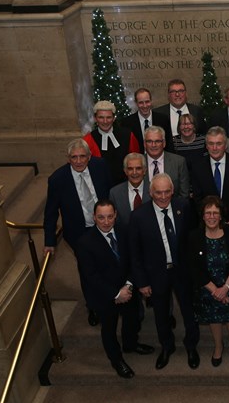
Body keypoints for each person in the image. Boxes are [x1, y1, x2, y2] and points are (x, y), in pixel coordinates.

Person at [75, 200, 154, 379]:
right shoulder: (85, 243)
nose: (106, 221)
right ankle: (116, 360)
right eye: (101, 217)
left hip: (129, 288)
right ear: (94, 217)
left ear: (116, 215)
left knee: (132, 319)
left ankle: (131, 344)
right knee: (109, 329)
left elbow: (135, 259)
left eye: (110, 217)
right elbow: (91, 276)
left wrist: (128, 285)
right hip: (104, 296)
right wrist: (116, 294)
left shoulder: (125, 231)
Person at [128, 173, 200, 370]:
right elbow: (135, 254)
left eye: (167, 191)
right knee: (161, 315)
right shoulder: (138, 216)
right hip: (156, 274)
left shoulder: (183, 207)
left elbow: (192, 239)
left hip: (182, 272)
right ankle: (167, 347)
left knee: (188, 311)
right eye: (158, 192)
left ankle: (191, 346)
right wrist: (141, 282)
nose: (163, 196)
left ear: (173, 191)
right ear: (151, 193)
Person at [43, 138, 111, 326]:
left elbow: (110, 191)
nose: (79, 161)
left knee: (110, 263)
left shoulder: (100, 166)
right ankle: (93, 306)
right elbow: (50, 212)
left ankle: (113, 298)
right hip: (79, 233)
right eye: (74, 157)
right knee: (87, 270)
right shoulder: (57, 179)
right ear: (68, 158)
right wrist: (49, 240)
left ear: (89, 157)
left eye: (82, 156)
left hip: (105, 225)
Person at [187, 196, 229, 367]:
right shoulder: (194, 236)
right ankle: (218, 346)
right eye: (208, 213)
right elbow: (194, 269)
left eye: (215, 212)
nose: (212, 216)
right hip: (208, 289)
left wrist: (226, 288)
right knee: (214, 317)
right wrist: (216, 291)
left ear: (221, 215)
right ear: (202, 216)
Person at [190, 127, 229, 222]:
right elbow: (198, 199)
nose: (214, 148)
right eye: (211, 144)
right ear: (206, 146)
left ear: (225, 145)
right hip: (208, 223)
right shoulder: (197, 167)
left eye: (218, 144)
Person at [83, 100, 140, 184]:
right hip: (100, 185)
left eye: (108, 117)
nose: (105, 121)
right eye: (101, 117)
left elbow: (136, 159)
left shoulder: (128, 135)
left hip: (126, 185)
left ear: (114, 118)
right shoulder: (87, 140)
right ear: (95, 119)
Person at [154, 78, 207, 151]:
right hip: (170, 155)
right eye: (173, 91)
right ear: (168, 95)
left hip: (194, 152)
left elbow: (203, 134)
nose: (177, 94)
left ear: (185, 93)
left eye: (181, 91)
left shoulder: (197, 111)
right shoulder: (159, 113)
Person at [143, 125, 190, 198]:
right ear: (144, 144)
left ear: (164, 143)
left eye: (157, 141)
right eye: (149, 141)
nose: (153, 145)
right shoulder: (138, 163)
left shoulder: (179, 162)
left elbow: (184, 194)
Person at [121, 87, 167, 153]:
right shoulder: (127, 123)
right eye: (141, 103)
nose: (145, 106)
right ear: (136, 103)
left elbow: (167, 145)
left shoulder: (163, 120)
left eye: (147, 102)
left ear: (151, 101)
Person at [109, 153, 149, 227]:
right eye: (130, 169)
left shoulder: (153, 189)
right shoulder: (115, 193)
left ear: (144, 170)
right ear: (125, 171)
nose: (134, 172)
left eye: (138, 168)